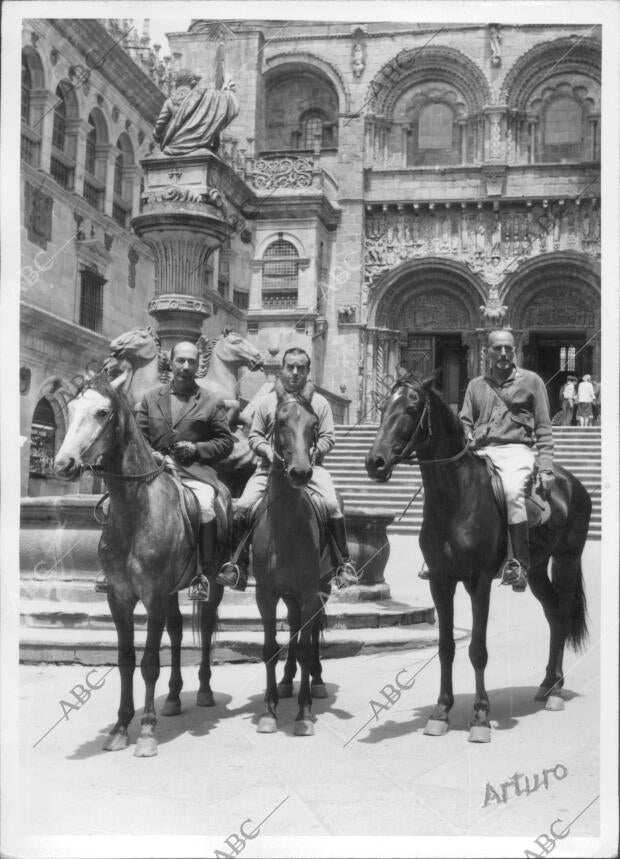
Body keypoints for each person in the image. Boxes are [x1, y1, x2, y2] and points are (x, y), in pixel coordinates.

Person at [217, 347, 358, 590]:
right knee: (242, 506)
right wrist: (268, 452)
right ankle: (237, 566)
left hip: (311, 469)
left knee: (333, 505)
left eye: (300, 368)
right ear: (282, 369)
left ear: (308, 371)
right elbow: (255, 436)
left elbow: (328, 437)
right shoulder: (266, 402)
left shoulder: (319, 403)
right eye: (290, 367)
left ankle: (341, 565)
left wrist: (314, 451)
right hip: (269, 470)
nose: (294, 372)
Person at [136, 341, 234, 601]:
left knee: (204, 507)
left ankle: (204, 572)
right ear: (170, 361)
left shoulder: (211, 402)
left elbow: (226, 443)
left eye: (191, 361)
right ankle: (114, 567)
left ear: (198, 364)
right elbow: (139, 436)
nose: (185, 366)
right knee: (117, 503)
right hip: (154, 473)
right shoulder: (149, 398)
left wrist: (196, 448)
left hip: (195, 473)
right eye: (181, 360)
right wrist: (152, 454)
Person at [459, 329, 554, 592]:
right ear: (487, 351)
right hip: (482, 450)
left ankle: (519, 564)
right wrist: (466, 434)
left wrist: (546, 467)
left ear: (515, 350)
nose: (503, 353)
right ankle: (442, 557)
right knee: (453, 487)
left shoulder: (532, 381)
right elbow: (465, 420)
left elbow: (544, 427)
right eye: (497, 348)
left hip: (516, 449)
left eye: (508, 348)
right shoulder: (475, 385)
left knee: (512, 492)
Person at [153, 69, 238, 156]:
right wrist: (227, 88)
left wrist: (170, 134)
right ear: (193, 83)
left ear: (176, 84)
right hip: (200, 144)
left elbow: (157, 132)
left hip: (172, 146)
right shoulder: (204, 98)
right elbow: (214, 121)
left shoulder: (169, 102)